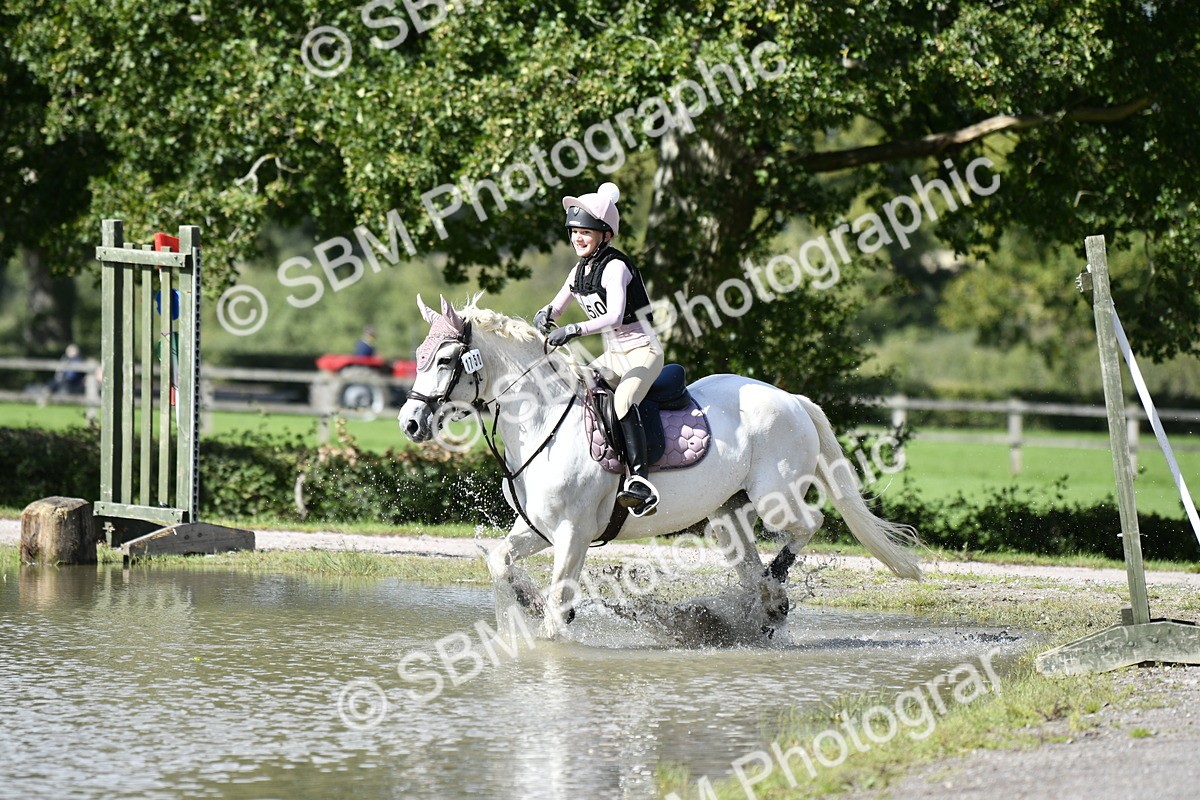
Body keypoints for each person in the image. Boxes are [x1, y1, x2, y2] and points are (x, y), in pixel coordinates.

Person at [534, 182, 665, 517]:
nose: (578, 237)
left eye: (586, 232)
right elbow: (558, 305)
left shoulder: (616, 267)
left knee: (623, 400)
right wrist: (546, 315)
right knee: (575, 389)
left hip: (642, 352)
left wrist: (574, 330)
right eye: (574, 231)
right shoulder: (580, 269)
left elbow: (615, 315)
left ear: (605, 234)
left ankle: (640, 481)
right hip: (613, 355)